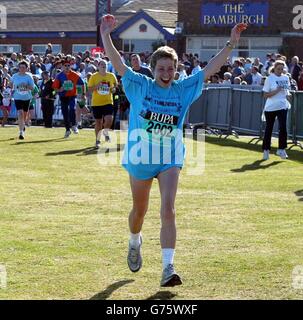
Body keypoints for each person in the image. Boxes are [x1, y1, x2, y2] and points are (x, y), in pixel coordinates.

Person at [100, 14, 247, 287]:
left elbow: (210, 69)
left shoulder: (182, 90)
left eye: (171, 69)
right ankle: (134, 240)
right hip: (141, 158)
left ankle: (168, 267)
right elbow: (118, 64)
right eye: (161, 69)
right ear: (152, 69)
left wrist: (231, 43)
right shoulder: (140, 86)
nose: (166, 74)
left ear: (176, 69)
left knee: (168, 209)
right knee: (139, 212)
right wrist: (106, 35)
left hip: (169, 157)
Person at [262, 60, 291, 160]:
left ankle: (281, 149)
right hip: (270, 107)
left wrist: (288, 95)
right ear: (274, 68)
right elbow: (265, 95)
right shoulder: (269, 79)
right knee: (269, 129)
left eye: (282, 69)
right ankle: (266, 150)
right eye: (278, 69)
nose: (280, 71)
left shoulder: (286, 77)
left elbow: (287, 91)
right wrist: (276, 91)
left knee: (283, 127)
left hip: (282, 106)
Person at [88, 59, 117, 148]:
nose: (104, 66)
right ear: (98, 67)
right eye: (102, 65)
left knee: (109, 119)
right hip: (96, 103)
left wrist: (113, 89)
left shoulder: (111, 76)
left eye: (105, 65)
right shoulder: (94, 76)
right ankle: (97, 140)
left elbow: (115, 86)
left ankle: (105, 131)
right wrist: (97, 85)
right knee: (98, 122)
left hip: (108, 101)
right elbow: (89, 90)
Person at [52, 58, 85, 138]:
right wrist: (60, 89)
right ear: (62, 67)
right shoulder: (59, 76)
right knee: (65, 112)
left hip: (72, 96)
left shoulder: (75, 75)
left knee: (72, 109)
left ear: (70, 66)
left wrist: (81, 95)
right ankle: (67, 130)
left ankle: (74, 125)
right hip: (63, 96)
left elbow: (81, 84)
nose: (67, 67)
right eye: (65, 66)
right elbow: (55, 88)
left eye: (68, 65)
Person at [10, 60, 34, 139]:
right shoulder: (14, 76)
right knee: (20, 113)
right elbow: (10, 85)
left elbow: (32, 87)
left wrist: (26, 86)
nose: (22, 69)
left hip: (27, 98)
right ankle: (21, 132)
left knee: (24, 115)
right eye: (20, 67)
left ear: (27, 68)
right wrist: (12, 88)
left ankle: (23, 125)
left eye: (23, 67)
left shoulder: (29, 76)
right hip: (17, 97)